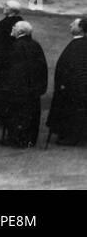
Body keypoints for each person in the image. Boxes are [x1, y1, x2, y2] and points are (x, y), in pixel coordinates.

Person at [0, 20, 47, 148]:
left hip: (19, 90)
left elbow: (14, 72)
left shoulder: (16, 46)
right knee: (30, 116)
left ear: (20, 31)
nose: (12, 28)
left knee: (17, 116)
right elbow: (42, 68)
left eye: (14, 27)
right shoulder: (35, 45)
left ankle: (17, 139)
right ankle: (28, 140)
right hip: (33, 89)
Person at [47, 17, 87, 145]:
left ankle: (71, 137)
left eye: (74, 24)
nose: (70, 25)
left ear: (81, 28)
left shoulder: (79, 45)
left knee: (72, 114)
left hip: (73, 89)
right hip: (72, 87)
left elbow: (78, 68)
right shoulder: (80, 43)